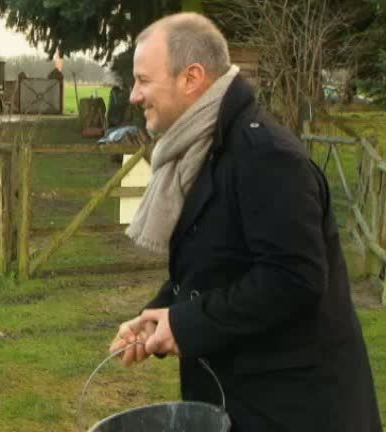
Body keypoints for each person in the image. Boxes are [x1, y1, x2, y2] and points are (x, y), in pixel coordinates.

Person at [111, 12, 382, 432]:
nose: (133, 95)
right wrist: (160, 312)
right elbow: (220, 261)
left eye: (144, 80)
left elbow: (294, 278)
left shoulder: (265, 155)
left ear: (192, 78)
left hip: (297, 410)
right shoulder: (206, 149)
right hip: (246, 400)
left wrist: (185, 324)